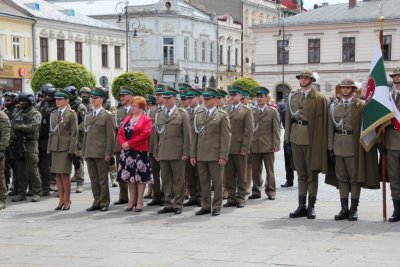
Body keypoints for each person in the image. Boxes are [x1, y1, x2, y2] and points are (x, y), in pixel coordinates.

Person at [326, 78, 379, 221]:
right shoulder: (333, 106)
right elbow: (330, 129)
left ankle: (353, 209)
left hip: (353, 145)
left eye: (348, 88)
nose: (344, 90)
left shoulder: (360, 106)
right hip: (338, 145)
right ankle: (344, 209)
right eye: (342, 87)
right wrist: (330, 148)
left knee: (355, 178)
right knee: (341, 178)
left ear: (353, 90)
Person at [285, 70, 328, 219]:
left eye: (306, 78)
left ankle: (311, 206)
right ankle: (301, 205)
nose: (302, 80)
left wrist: (322, 144)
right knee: (301, 174)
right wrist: (287, 139)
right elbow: (288, 119)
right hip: (296, 137)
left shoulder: (319, 98)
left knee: (312, 174)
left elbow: (323, 123)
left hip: (311, 139)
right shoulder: (293, 96)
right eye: (301, 78)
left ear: (311, 80)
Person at [190, 88, 231, 216]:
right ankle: (206, 205)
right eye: (205, 99)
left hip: (215, 154)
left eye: (208, 99)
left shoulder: (222, 115)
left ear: (215, 100)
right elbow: (195, 135)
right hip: (201, 154)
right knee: (204, 181)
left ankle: (217, 205)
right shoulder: (199, 114)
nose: (205, 101)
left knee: (217, 182)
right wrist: (193, 154)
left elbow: (226, 137)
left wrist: (223, 155)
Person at [154, 87, 191, 215]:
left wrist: (186, 152)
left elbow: (187, 135)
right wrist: (156, 152)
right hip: (163, 152)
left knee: (178, 179)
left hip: (177, 152)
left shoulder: (182, 113)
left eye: (169, 98)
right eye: (164, 98)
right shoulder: (159, 114)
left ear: (175, 99)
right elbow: (156, 136)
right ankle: (168, 203)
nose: (166, 100)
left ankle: (178, 203)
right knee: (166, 179)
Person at [117, 96, 153, 212]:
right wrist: (123, 143)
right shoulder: (127, 118)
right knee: (130, 178)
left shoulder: (146, 119)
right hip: (127, 152)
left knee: (140, 178)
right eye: (131, 105)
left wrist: (130, 143)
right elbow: (120, 132)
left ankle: (140, 201)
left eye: (134, 106)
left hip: (139, 152)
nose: (132, 108)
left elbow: (145, 134)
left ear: (141, 107)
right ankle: (131, 201)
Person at [83, 87, 115, 212]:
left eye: (96, 98)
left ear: (102, 100)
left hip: (101, 152)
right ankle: (96, 201)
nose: (93, 100)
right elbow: (86, 135)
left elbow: (111, 137)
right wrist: (83, 151)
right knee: (93, 179)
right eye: (92, 98)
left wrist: (108, 152)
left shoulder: (107, 116)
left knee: (102, 179)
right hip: (90, 151)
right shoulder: (88, 116)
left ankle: (104, 202)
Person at [223, 85, 254, 208]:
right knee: (229, 174)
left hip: (240, 148)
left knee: (241, 175)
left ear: (240, 96)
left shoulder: (246, 111)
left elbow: (249, 131)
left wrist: (245, 148)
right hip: (227, 149)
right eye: (230, 95)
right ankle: (231, 197)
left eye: (234, 95)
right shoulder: (225, 110)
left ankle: (241, 197)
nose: (231, 97)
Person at [48, 89, 78, 210]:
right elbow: (51, 133)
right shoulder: (54, 114)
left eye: (60, 99)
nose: (57, 101)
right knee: (57, 175)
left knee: (65, 175)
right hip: (55, 147)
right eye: (56, 99)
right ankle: (61, 200)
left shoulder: (71, 114)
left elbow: (74, 133)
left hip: (66, 148)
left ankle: (67, 200)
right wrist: (49, 149)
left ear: (66, 101)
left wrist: (72, 150)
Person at [249, 87, 280, 200]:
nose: (259, 99)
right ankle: (256, 191)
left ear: (266, 98)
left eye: (261, 96)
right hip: (254, 145)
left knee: (269, 170)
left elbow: (276, 130)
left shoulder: (272, 112)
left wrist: (276, 144)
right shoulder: (251, 112)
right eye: (258, 97)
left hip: (268, 145)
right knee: (256, 170)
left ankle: (271, 191)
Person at [11, 93, 42, 202]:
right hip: (18, 142)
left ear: (29, 101)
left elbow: (33, 127)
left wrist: (19, 127)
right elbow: (12, 126)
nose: (21, 103)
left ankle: (37, 192)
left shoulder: (35, 113)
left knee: (32, 169)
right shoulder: (18, 112)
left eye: (23, 101)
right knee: (20, 170)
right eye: (20, 101)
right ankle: (21, 193)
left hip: (30, 143)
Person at [64, 86, 87, 193]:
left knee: (77, 158)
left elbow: (83, 123)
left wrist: (74, 129)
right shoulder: (63, 105)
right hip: (65, 136)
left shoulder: (80, 106)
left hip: (77, 136)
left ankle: (80, 183)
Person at [113, 86, 134, 206]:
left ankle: (134, 197)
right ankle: (123, 196)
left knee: (133, 172)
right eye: (120, 96)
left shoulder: (136, 110)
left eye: (124, 95)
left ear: (130, 97)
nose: (121, 98)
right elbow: (116, 130)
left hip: (132, 145)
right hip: (120, 145)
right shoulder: (119, 111)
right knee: (120, 172)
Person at [184, 88, 203, 207]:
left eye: (191, 98)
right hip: (188, 147)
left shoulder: (203, 111)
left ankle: (201, 196)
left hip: (200, 147)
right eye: (188, 98)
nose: (189, 100)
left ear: (198, 98)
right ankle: (193, 196)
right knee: (189, 174)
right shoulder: (185, 112)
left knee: (201, 174)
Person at [146, 85, 165, 206]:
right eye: (156, 95)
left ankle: (166, 196)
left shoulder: (172, 110)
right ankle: (157, 196)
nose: (157, 97)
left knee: (166, 174)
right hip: (153, 146)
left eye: (160, 95)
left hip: (165, 147)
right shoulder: (152, 110)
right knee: (154, 173)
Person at [38, 83, 57, 196]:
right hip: (41, 138)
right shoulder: (41, 105)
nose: (47, 96)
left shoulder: (57, 106)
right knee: (44, 163)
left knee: (54, 162)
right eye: (46, 94)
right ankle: (46, 185)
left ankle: (54, 182)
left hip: (53, 137)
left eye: (50, 95)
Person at [387, 67, 400, 222]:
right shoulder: (388, 97)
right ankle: (397, 210)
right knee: (394, 178)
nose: (396, 78)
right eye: (395, 76)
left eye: (398, 75)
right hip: (391, 142)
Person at [0, 109, 11, 210]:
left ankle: (2, 199)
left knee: (0, 176)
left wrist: (2, 148)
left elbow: (6, 133)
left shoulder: (2, 116)